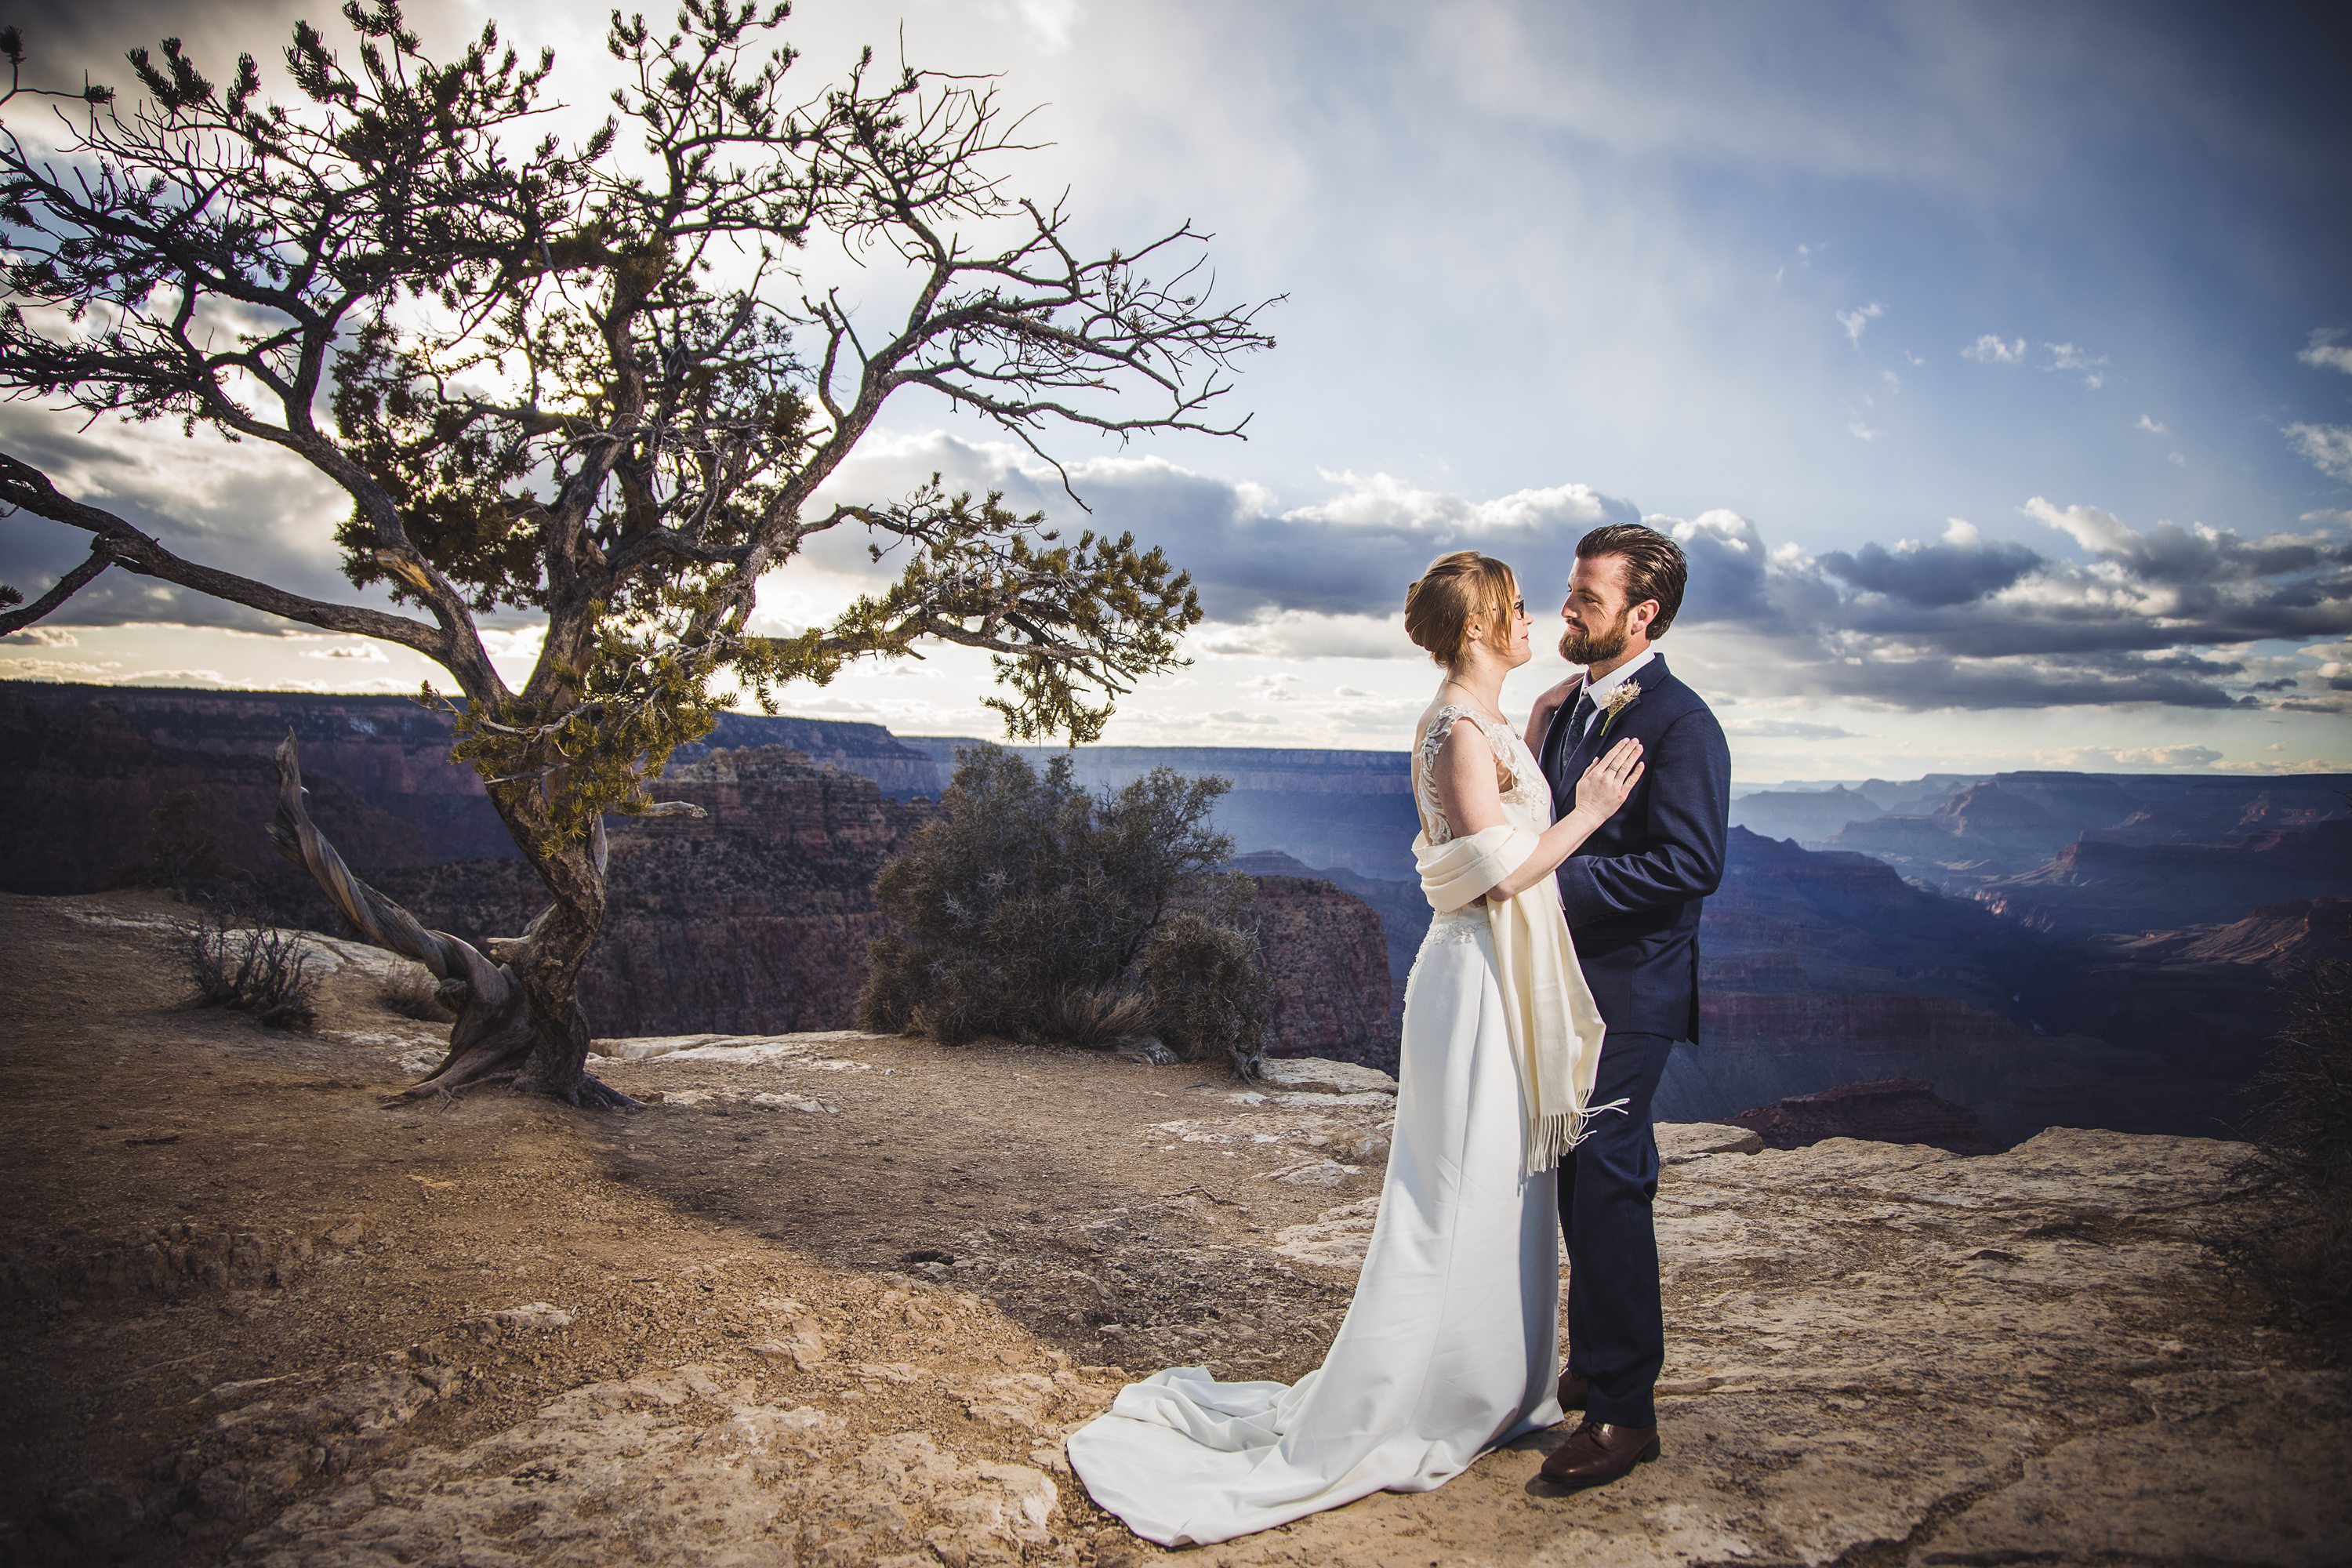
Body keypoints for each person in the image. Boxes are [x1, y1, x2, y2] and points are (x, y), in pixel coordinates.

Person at [1066, 551, 1645, 1545]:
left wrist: (1574, 705)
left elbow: (1523, 751)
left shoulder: (1497, 716)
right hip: (1474, 985)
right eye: (1512, 609)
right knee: (1451, 1188)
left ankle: (1492, 1384)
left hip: (1503, 980)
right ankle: (1421, 1397)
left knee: (1506, 1186)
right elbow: (1500, 877)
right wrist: (1589, 812)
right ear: (1475, 629)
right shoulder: (1457, 728)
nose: (1529, 618)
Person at [1523, 522, 1731, 1490]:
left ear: (1643, 615)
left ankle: (1625, 1413)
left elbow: (1693, 865)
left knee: (1608, 1177)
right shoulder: (1569, 707)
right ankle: (1594, 1357)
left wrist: (1546, 888)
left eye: (1588, 597)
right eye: (1571, 590)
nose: (1567, 606)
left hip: (1630, 993)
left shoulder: (1683, 723)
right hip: (1565, 985)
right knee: (1569, 1177)